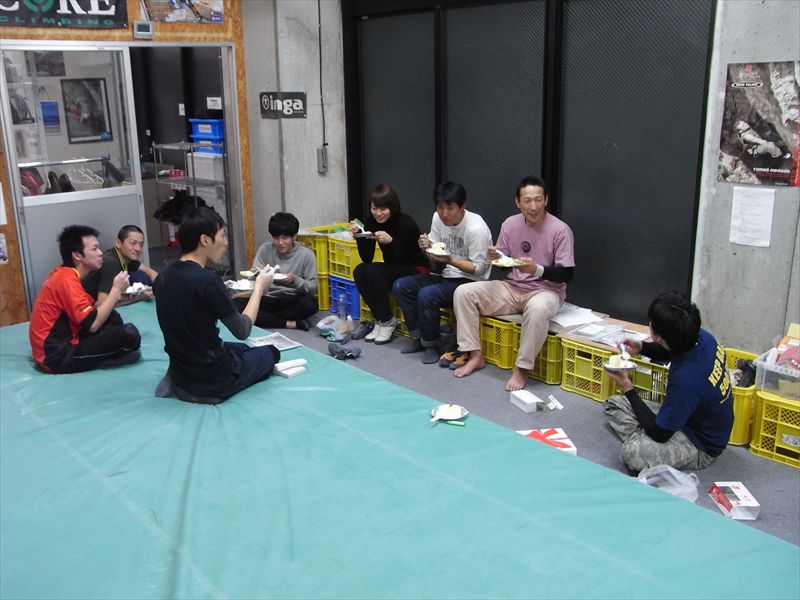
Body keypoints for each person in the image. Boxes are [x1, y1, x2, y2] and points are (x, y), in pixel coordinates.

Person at [451, 175, 575, 391]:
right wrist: (496, 258)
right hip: (512, 287)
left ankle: (521, 369)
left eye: (538, 199)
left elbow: (567, 274)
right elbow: (504, 265)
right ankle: (474, 354)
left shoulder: (560, 230)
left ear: (546, 200)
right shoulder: (510, 224)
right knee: (463, 292)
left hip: (546, 291)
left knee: (538, 308)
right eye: (527, 200)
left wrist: (536, 269)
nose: (533, 206)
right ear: (518, 202)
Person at [153, 207, 280, 404]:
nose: (226, 243)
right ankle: (204, 390)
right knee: (270, 352)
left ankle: (180, 382)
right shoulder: (208, 281)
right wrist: (259, 287)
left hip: (181, 369)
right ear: (205, 240)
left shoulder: (163, 276)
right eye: (222, 235)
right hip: (214, 380)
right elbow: (243, 329)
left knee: (241, 349)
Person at [603, 291, 734, 472]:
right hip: (693, 415)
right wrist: (641, 347)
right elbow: (671, 350)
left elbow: (660, 435)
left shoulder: (686, 382)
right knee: (614, 404)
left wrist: (627, 386)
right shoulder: (701, 337)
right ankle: (649, 434)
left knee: (632, 453)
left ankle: (647, 439)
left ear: (659, 337)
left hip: (700, 442)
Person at [392, 182, 492, 363]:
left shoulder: (476, 229)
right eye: (440, 207)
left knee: (427, 294)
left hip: (472, 284)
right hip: (447, 275)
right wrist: (425, 247)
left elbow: (479, 270)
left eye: (450, 208)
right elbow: (433, 254)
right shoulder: (437, 218)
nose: (444, 213)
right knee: (401, 286)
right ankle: (420, 337)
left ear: (462, 206)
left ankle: (431, 344)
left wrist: (450, 260)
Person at [29, 225, 141, 373]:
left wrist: (120, 295)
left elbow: (95, 308)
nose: (100, 253)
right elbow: (92, 325)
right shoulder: (66, 280)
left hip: (63, 342)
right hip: (56, 357)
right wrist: (115, 291)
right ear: (77, 255)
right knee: (130, 333)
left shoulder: (66, 274)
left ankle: (106, 355)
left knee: (112, 318)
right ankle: (106, 358)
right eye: (94, 249)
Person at [347, 183, 428, 344]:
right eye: (374, 208)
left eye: (383, 209)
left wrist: (391, 242)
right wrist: (360, 237)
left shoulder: (405, 222)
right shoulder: (371, 221)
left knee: (374, 272)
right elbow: (367, 258)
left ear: (392, 207)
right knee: (360, 270)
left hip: (416, 269)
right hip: (394, 268)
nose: (378, 213)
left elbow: (407, 256)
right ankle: (382, 319)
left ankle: (386, 320)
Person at [233, 212, 318, 330]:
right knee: (236, 304)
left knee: (310, 304)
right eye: (276, 238)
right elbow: (253, 278)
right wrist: (257, 274)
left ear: (294, 236)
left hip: (291, 299)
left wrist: (295, 281)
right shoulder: (265, 249)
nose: (280, 243)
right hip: (267, 297)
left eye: (285, 238)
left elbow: (313, 287)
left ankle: (268, 319)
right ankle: (288, 323)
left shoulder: (306, 255)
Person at [83, 225, 158, 306]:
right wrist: (140, 297)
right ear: (118, 243)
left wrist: (159, 286)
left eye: (141, 244)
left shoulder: (125, 257)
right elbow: (103, 304)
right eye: (133, 243)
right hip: (87, 308)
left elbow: (148, 271)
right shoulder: (111, 263)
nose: (138, 249)